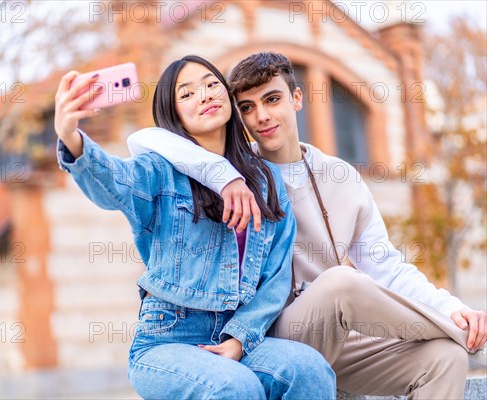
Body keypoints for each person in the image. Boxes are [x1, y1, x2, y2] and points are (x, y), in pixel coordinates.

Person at [127, 52, 487, 399]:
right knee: (342, 282)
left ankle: (455, 333)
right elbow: (145, 139)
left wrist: (450, 306)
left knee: (446, 358)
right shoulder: (230, 173)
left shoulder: (340, 175)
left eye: (272, 100)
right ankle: (459, 333)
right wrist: (223, 175)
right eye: (247, 108)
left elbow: (386, 267)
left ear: (297, 98)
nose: (262, 117)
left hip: (334, 335)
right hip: (263, 337)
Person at [54, 54, 336, 399]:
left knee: (310, 370)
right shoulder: (158, 170)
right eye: (186, 94)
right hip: (168, 339)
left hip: (239, 334)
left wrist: (239, 338)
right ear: (174, 114)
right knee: (236, 387)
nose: (204, 95)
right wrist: (71, 136)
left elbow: (276, 277)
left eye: (211, 84)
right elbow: (115, 182)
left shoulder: (265, 180)